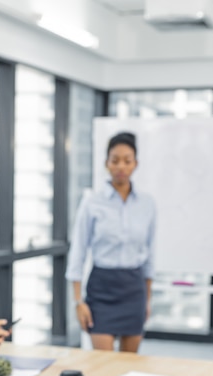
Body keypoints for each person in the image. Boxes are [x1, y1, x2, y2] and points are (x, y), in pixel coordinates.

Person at [65, 131, 156, 353]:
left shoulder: (147, 204)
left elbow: (149, 253)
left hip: (134, 288)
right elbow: (78, 252)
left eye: (127, 160)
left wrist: (147, 300)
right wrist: (79, 302)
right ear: (106, 163)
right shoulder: (92, 203)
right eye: (115, 160)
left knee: (129, 365)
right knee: (104, 365)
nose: (121, 167)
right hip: (102, 288)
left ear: (136, 164)